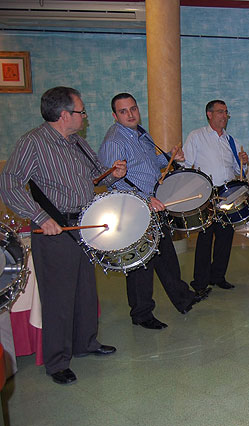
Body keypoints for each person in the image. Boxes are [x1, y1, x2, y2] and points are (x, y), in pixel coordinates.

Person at [0, 87, 126, 385]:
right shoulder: (33, 143)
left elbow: (98, 176)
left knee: (85, 289)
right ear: (64, 115)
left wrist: (114, 174)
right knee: (58, 298)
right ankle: (57, 361)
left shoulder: (77, 143)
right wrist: (40, 217)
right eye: (81, 112)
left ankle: (86, 342)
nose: (84, 117)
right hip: (54, 230)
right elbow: (9, 184)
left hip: (83, 226)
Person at [98, 93, 205, 331]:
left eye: (133, 108)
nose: (130, 114)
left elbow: (148, 164)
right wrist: (146, 199)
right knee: (140, 264)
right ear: (115, 116)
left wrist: (168, 157)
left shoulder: (141, 133)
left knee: (165, 255)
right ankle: (141, 313)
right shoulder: (114, 141)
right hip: (134, 208)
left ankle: (183, 298)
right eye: (123, 111)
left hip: (153, 206)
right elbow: (113, 181)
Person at [182, 100, 248, 293]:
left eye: (226, 112)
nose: (224, 115)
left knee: (225, 237)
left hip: (228, 195)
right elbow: (186, 164)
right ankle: (200, 283)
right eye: (220, 112)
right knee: (205, 239)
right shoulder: (196, 136)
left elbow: (238, 170)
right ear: (209, 114)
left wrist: (244, 161)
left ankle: (218, 276)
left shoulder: (231, 141)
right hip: (206, 194)